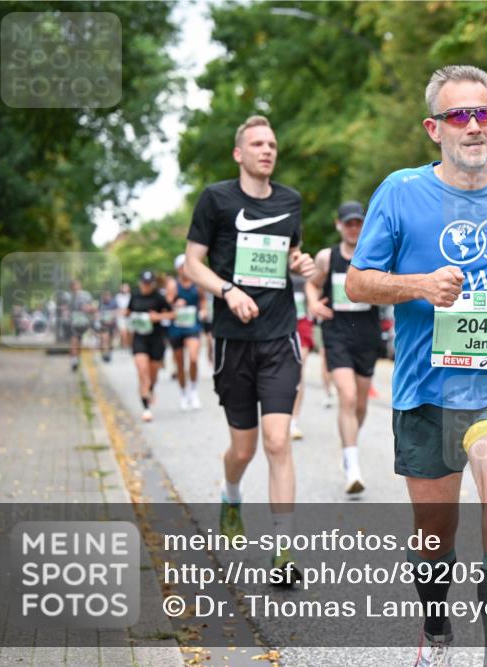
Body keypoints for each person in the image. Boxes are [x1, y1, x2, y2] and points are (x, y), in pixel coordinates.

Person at [346, 65, 487, 667]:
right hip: (425, 392)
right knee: (435, 538)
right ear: (433, 127)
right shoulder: (399, 191)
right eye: (459, 116)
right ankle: (436, 631)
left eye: (483, 114)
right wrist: (417, 285)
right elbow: (358, 283)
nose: (473, 126)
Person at [183, 115, 315, 578]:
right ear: (239, 153)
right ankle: (231, 496)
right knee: (244, 449)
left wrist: (302, 264)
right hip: (233, 341)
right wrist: (227, 291)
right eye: (257, 143)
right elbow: (191, 265)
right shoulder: (216, 199)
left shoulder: (290, 200)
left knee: (278, 441)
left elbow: (292, 256)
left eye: (272, 144)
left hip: (279, 337)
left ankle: (283, 552)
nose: (267, 150)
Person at [306, 201, 381, 495]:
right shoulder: (328, 257)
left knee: (360, 404)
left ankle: (348, 446)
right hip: (336, 333)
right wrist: (313, 303)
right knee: (346, 396)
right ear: (339, 225)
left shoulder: (376, 255)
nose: (353, 228)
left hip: (367, 334)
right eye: (348, 223)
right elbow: (312, 285)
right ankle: (353, 466)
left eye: (358, 223)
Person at [126, 271, 171, 422]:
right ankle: (146, 408)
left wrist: (158, 317)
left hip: (156, 339)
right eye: (144, 283)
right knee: (142, 371)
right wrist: (128, 315)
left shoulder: (159, 297)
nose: (146, 286)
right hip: (140, 338)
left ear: (153, 284)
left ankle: (150, 390)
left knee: (152, 374)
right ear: (140, 283)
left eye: (149, 283)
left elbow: (173, 314)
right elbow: (128, 311)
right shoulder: (135, 296)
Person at [166, 254, 206, 411]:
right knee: (180, 363)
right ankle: (183, 393)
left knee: (194, 359)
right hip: (176, 326)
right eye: (183, 266)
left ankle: (194, 391)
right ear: (178, 269)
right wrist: (175, 303)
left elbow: (202, 299)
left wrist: (203, 311)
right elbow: (167, 302)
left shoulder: (197, 283)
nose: (186, 269)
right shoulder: (173, 285)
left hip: (192, 325)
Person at [289, 272, 315, 440]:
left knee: (297, 370)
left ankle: (293, 421)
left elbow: (313, 299)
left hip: (301, 326)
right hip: (278, 326)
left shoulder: (306, 280)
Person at [66, 279, 95, 372]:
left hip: (84, 322)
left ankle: (77, 358)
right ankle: (74, 359)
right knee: (74, 340)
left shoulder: (86, 295)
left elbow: (93, 308)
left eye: (77, 285)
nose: (76, 287)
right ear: (71, 287)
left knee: (80, 342)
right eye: (74, 286)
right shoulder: (69, 297)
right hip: (73, 322)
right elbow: (66, 309)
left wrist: (88, 308)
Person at [96, 290, 117, 362]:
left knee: (111, 340)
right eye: (105, 296)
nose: (106, 297)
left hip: (112, 325)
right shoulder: (101, 304)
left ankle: (109, 353)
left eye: (108, 296)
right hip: (103, 325)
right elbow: (97, 314)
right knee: (104, 339)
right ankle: (105, 354)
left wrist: (112, 316)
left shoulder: (114, 303)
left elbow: (118, 312)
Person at [115, 282, 132, 350]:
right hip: (121, 316)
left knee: (130, 331)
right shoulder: (118, 296)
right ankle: (125, 346)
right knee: (123, 331)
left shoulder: (131, 296)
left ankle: (129, 344)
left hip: (129, 316)